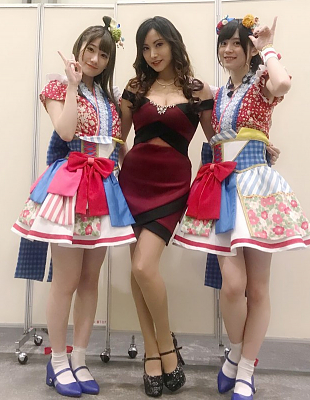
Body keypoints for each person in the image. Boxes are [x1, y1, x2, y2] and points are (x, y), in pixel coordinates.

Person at [173, 15, 310, 400]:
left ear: (249, 49)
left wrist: (268, 46)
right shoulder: (218, 94)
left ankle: (246, 369)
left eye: (236, 42)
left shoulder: (262, 82)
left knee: (258, 287)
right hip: (223, 187)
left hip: (257, 186)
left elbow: (283, 83)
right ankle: (235, 353)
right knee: (233, 286)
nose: (228, 49)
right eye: (223, 43)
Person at [11, 17, 135, 398]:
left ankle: (80, 358)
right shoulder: (57, 85)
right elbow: (66, 132)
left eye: (103, 54)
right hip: (71, 183)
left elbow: (116, 146)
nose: (95, 58)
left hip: (103, 185)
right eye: (90, 50)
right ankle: (58, 360)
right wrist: (70, 83)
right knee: (65, 280)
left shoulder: (110, 98)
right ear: (79, 48)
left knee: (89, 280)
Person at [117, 16, 215, 397]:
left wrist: (258, 143)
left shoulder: (197, 91)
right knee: (138, 271)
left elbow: (218, 140)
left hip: (172, 187)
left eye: (159, 44)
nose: (153, 54)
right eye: (145, 47)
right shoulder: (135, 88)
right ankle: (153, 352)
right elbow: (117, 139)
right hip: (132, 184)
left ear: (173, 43)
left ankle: (166, 346)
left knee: (144, 266)